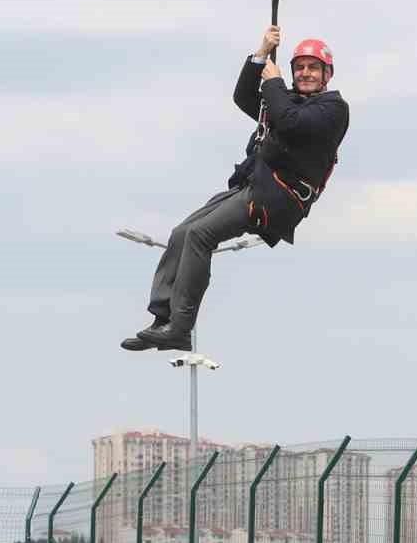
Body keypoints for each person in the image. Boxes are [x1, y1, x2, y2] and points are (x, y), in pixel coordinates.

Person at [120, 28, 350, 352]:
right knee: (182, 232)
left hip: (277, 199)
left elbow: (289, 123)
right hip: (254, 186)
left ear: (327, 74)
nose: (305, 73)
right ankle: (163, 318)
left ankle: (180, 327)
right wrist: (261, 55)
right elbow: (244, 98)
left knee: (201, 234)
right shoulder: (287, 100)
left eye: (313, 68)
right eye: (300, 67)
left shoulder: (332, 110)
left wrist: (273, 82)